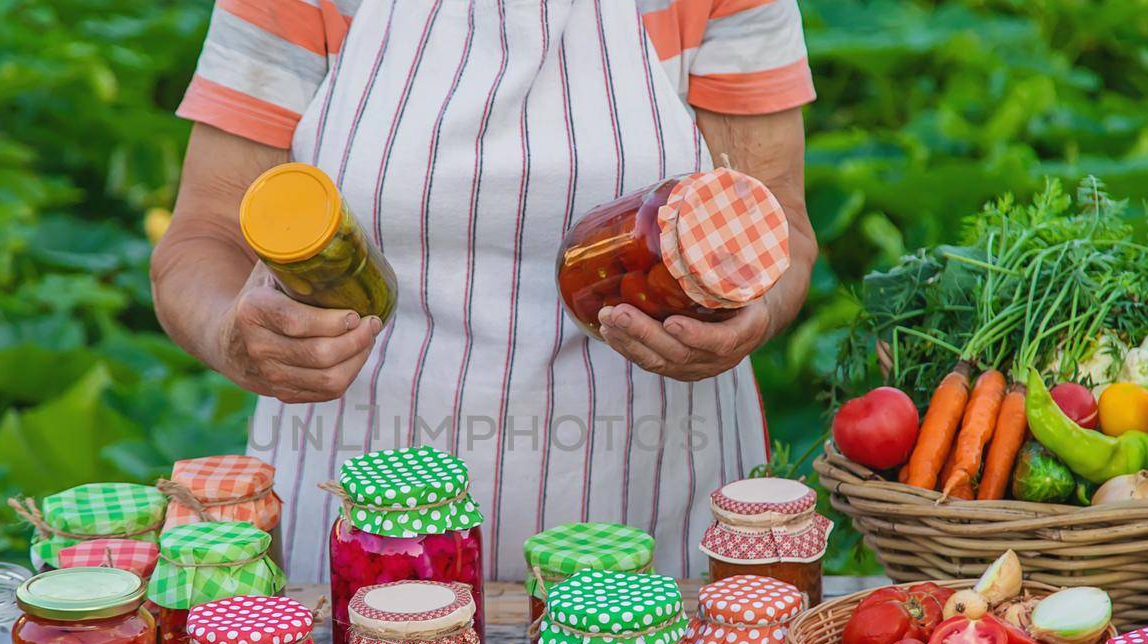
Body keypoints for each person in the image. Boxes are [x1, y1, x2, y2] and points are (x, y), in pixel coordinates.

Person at [152, 0, 817, 582]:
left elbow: (779, 225)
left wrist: (746, 318)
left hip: (658, 533)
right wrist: (233, 337)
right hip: (352, 547)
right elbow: (202, 236)